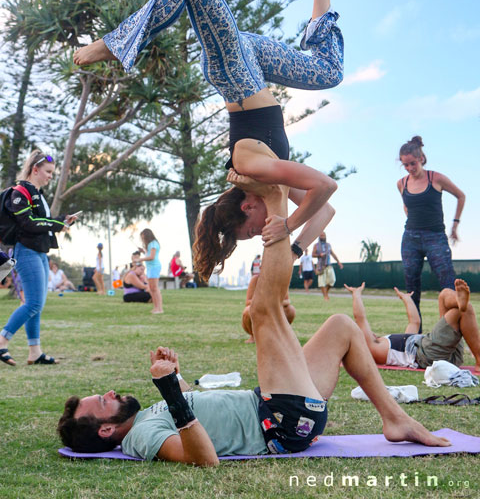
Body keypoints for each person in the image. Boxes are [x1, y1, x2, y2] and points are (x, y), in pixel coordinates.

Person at [58, 179, 449, 464]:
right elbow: (203, 459)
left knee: (341, 327)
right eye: (102, 402)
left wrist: (176, 379)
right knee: (263, 311)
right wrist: (173, 395)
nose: (109, 392)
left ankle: (395, 419)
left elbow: (195, 411)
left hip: (278, 405)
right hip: (277, 421)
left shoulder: (145, 417)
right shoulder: (140, 437)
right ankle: (275, 198)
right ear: (106, 430)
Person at [73, 0, 344, 280]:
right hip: (252, 63)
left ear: (247, 208)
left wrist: (286, 225)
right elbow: (325, 209)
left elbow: (326, 186)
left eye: (251, 231)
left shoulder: (250, 168)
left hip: (233, 68)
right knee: (328, 71)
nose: (260, 233)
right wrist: (292, 248)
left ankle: (116, 43)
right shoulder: (273, 186)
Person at [0, 150, 77, 367]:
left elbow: (41, 221)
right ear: (35, 170)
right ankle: (2, 340)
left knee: (36, 305)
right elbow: (28, 223)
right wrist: (56, 224)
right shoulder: (21, 191)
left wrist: (62, 221)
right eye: (48, 172)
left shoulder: (37, 193)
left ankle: (35, 352)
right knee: (33, 303)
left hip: (40, 253)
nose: (51, 176)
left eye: (53, 172)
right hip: (26, 251)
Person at [397, 136, 465, 326]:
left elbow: (461, 196)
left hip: (436, 237)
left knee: (448, 285)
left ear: (421, 159)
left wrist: (455, 225)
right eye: (406, 165)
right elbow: (406, 206)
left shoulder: (435, 178)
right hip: (410, 239)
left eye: (413, 163)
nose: (410, 168)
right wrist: (412, 221)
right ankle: (415, 337)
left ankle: (451, 332)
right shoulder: (401, 183)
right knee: (411, 290)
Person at [344, 280, 480, 372]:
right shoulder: (374, 349)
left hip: (440, 352)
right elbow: (360, 319)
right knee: (461, 311)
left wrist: (407, 299)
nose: (368, 332)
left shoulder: (390, 344)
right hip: (428, 354)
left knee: (444, 294)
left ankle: (458, 300)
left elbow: (414, 322)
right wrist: (356, 294)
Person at [138, 229, 163, 314]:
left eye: (143, 237)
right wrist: (143, 251)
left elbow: (152, 257)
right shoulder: (150, 245)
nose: (143, 239)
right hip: (150, 268)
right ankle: (156, 307)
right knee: (151, 288)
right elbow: (149, 254)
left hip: (154, 267)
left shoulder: (153, 244)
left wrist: (140, 259)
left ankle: (159, 308)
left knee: (155, 288)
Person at [313, 231, 343, 300]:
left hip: (329, 265)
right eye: (321, 235)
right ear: (319, 236)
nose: (322, 236)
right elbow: (312, 255)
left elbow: (333, 254)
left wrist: (339, 262)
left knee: (332, 280)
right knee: (322, 282)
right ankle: (325, 297)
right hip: (321, 266)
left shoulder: (328, 245)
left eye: (323, 235)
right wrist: (319, 255)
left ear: (325, 236)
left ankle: (325, 293)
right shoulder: (316, 245)